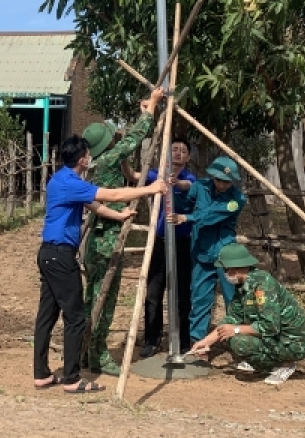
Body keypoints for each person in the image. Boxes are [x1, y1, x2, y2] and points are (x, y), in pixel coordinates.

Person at [33, 131, 168, 394]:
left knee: (46, 316)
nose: (90, 158)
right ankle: (72, 379)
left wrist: (120, 217)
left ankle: (41, 374)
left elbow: (96, 206)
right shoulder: (73, 182)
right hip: (60, 257)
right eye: (88, 155)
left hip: (48, 254)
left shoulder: (60, 179)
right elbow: (112, 194)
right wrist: (151, 188)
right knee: (75, 318)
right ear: (83, 160)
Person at [80, 85, 165, 374]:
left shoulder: (100, 163)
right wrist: (152, 106)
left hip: (94, 239)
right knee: (104, 297)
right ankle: (99, 354)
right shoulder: (107, 159)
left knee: (91, 298)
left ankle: (84, 351)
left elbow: (128, 169)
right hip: (106, 240)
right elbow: (133, 139)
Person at [188, 243, 305, 384]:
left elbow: (271, 326)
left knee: (239, 341)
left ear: (236, 269)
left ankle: (284, 365)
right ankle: (261, 363)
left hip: (293, 341)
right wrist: (205, 342)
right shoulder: (242, 286)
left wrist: (235, 329)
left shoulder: (263, 285)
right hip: (275, 337)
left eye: (225, 269)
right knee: (230, 336)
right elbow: (232, 318)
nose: (223, 273)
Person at [122, 136, 195, 357]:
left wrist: (176, 183)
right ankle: (152, 340)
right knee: (154, 291)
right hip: (160, 242)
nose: (178, 153)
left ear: (188, 157)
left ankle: (182, 341)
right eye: (174, 149)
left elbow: (188, 186)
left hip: (183, 243)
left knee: (183, 293)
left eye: (183, 150)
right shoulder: (155, 176)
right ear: (166, 153)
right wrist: (123, 161)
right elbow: (134, 176)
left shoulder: (189, 177)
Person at [168, 155, 246, 344]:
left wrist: (186, 218)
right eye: (219, 180)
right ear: (213, 176)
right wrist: (173, 188)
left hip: (226, 255)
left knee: (233, 300)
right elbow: (185, 203)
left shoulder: (237, 199)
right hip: (202, 252)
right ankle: (199, 343)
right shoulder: (200, 187)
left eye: (227, 182)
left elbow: (211, 215)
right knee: (200, 298)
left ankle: (238, 342)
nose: (222, 185)